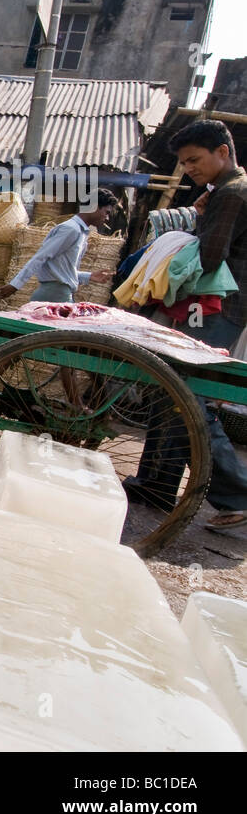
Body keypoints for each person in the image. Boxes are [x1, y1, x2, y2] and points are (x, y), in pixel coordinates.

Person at [127, 120, 247, 532]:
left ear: (223, 152)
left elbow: (210, 257)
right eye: (183, 162)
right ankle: (156, 484)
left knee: (186, 396)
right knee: (170, 388)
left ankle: (237, 494)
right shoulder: (222, 193)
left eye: (194, 160)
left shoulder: (231, 194)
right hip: (217, 307)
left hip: (218, 308)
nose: (189, 168)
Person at [0, 189, 117, 304]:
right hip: (55, 296)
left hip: (59, 293)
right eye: (106, 213)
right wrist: (15, 285)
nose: (107, 218)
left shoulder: (80, 232)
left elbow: (61, 270)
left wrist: (89, 276)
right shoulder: (71, 229)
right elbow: (40, 257)